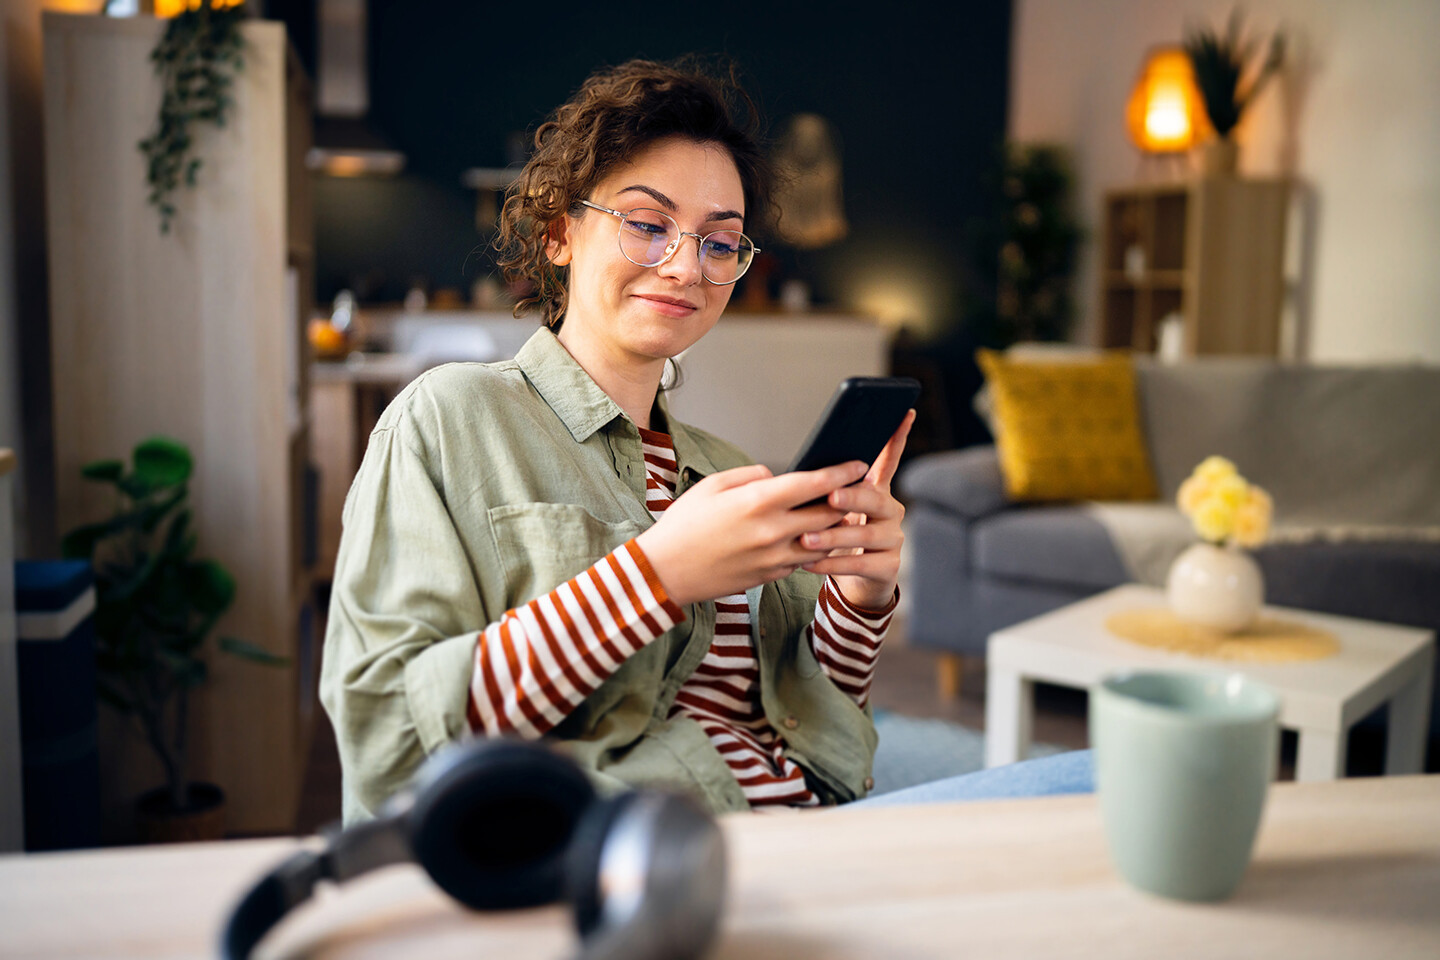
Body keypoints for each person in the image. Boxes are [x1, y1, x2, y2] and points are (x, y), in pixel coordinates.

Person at [320, 58, 914, 823]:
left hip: (815, 825)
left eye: (719, 242)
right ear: (559, 233)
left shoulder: (726, 472)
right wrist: (657, 574)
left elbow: (813, 718)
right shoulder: (448, 419)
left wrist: (857, 601)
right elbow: (388, 747)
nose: (684, 267)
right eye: (646, 224)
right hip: (646, 861)